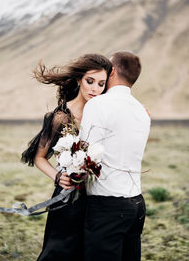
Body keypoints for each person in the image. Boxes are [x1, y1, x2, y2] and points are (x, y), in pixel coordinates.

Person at [21, 53, 112, 261]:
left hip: (98, 196)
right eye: (90, 81)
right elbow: (39, 157)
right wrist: (56, 176)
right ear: (79, 79)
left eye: (101, 84)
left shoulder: (103, 114)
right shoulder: (60, 117)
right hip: (68, 196)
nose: (95, 89)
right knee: (59, 251)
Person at [80, 51, 151, 261]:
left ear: (112, 71)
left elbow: (87, 154)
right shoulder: (142, 111)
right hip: (136, 203)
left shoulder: (97, 105)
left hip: (107, 205)